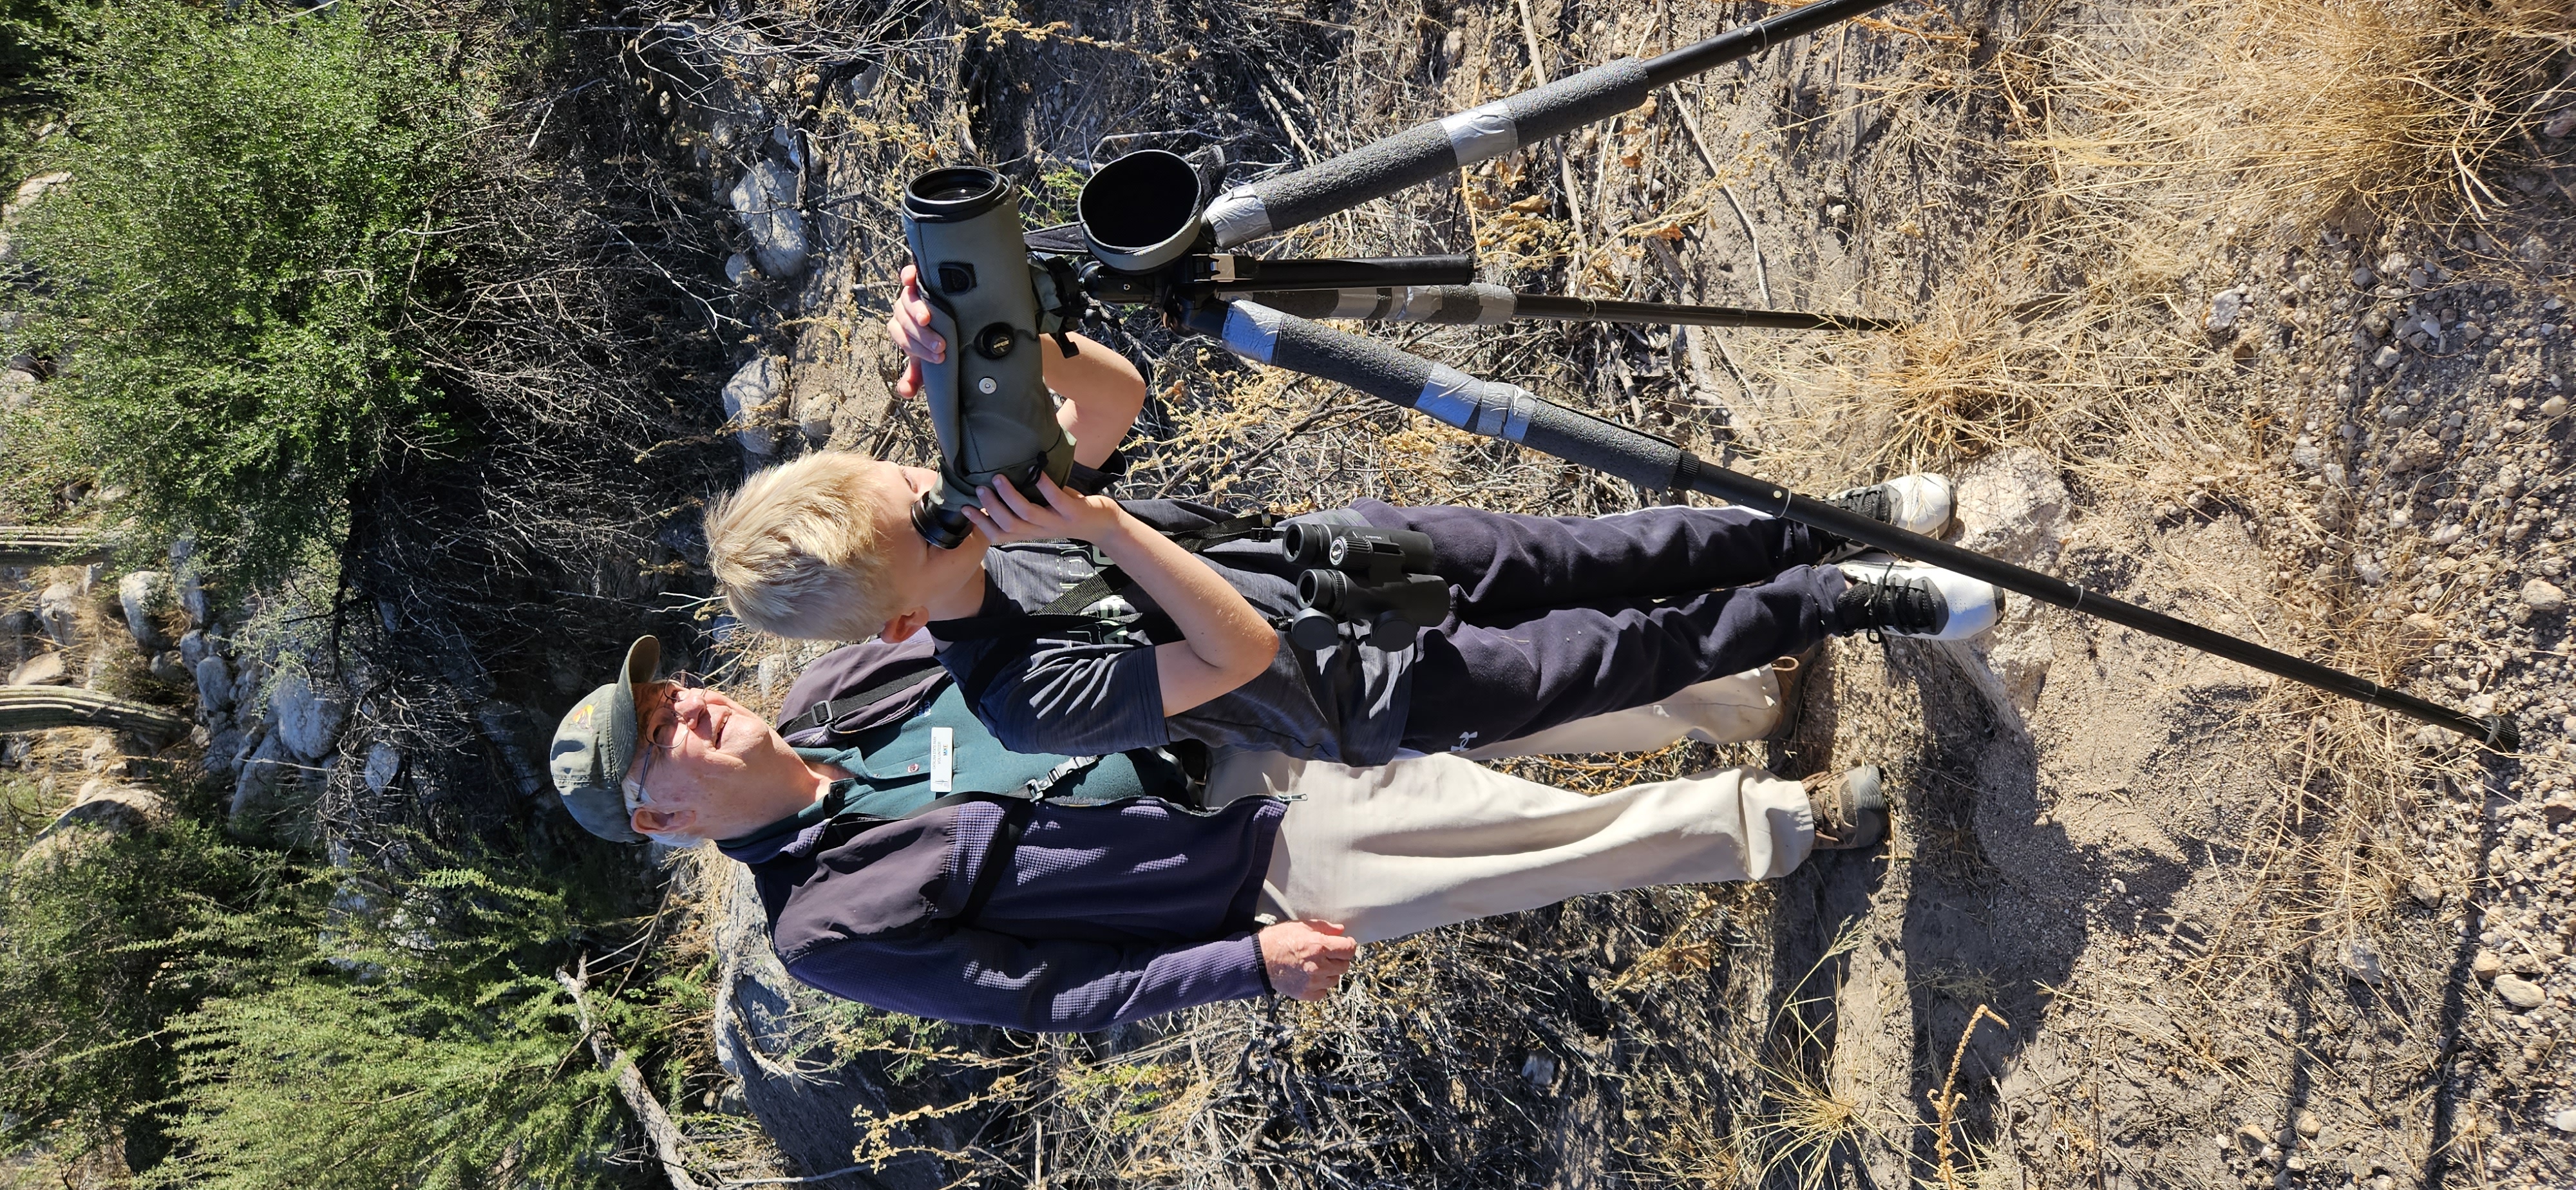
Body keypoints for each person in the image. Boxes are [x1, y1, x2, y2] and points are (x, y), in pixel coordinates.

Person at [699, 267, 2000, 770]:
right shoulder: (1012, 697)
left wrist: (998, 344)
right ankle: (1848, 599)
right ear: (897, 615)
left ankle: (1829, 525)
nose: (936, 499)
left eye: (906, 479)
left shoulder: (985, 502)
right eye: (917, 528)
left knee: (1618, 551)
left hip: (1361, 553)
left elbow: (1112, 400)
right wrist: (1099, 533)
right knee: (1627, 655)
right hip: (1370, 691)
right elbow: (1236, 660)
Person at [545, 630, 1884, 1032]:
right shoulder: (825, 926)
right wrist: (1246, 968)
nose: (696, 707)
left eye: (672, 693)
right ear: (662, 819)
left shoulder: (845, 686)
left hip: (1237, 702)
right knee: (1520, 842)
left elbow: (1005, 617)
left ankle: (1748, 694)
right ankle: (1779, 823)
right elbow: (1046, 994)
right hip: (1246, 855)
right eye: (662, 733)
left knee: (1490, 689)